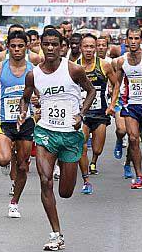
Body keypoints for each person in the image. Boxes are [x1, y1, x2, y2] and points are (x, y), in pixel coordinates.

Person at [18, 29, 95, 251]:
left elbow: (90, 92)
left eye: (54, 44)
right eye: (46, 44)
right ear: (41, 45)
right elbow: (25, 98)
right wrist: (22, 113)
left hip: (70, 136)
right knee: (45, 181)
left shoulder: (73, 69)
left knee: (65, 192)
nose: (50, 48)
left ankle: (57, 227)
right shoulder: (33, 74)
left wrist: (81, 114)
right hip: (45, 133)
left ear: (62, 47)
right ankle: (56, 234)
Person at [0, 30, 34, 218]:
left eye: (21, 46)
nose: (17, 50)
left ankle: (14, 202)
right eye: (13, 46)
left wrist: (38, 102)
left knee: (22, 166)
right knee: (3, 158)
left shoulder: (33, 68)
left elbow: (42, 91)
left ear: (26, 47)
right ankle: (8, 156)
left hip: (27, 122)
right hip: (4, 120)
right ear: (8, 47)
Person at [77, 33, 118, 194]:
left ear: (96, 49)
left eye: (91, 47)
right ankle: (86, 179)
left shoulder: (104, 65)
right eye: (85, 46)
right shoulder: (74, 66)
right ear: (81, 48)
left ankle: (94, 161)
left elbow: (116, 84)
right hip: (82, 114)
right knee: (82, 145)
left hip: (100, 113)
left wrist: (112, 105)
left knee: (97, 149)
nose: (88, 50)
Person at [117, 27, 142, 189]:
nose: (133, 42)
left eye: (136, 39)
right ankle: (139, 175)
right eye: (130, 39)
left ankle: (129, 159)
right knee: (133, 139)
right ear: (126, 40)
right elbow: (116, 84)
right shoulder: (121, 61)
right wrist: (113, 103)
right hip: (130, 104)